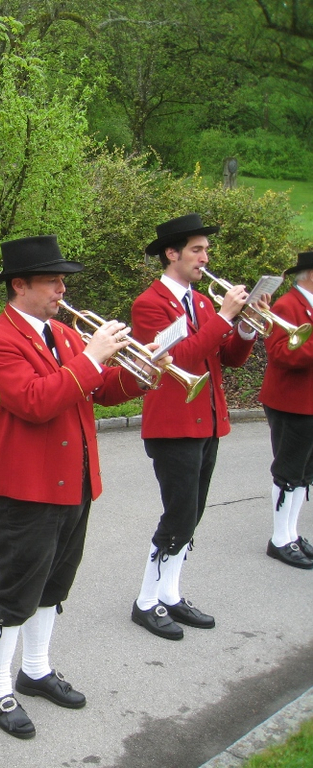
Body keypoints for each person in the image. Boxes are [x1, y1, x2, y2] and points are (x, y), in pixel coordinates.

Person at [0, 234, 150, 740]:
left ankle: (36, 669)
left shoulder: (66, 335)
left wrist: (145, 368)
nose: (62, 289)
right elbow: (34, 402)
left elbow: (100, 388)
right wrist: (91, 357)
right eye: (52, 280)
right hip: (25, 490)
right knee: (15, 591)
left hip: (75, 482)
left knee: (54, 584)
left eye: (62, 280)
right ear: (19, 285)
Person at [129, 213, 262, 641]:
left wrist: (245, 326)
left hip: (208, 421)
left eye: (206, 250)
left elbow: (228, 358)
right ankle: (145, 602)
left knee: (193, 514)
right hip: (173, 425)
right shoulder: (149, 304)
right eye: (197, 250)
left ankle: (169, 593)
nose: (205, 258)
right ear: (172, 253)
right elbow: (177, 359)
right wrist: (225, 317)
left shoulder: (203, 303)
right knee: (178, 515)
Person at [259, 251, 313, 569]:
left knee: (305, 473)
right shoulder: (287, 306)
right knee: (288, 472)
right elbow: (280, 353)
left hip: (308, 402)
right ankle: (279, 540)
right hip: (291, 403)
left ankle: (292, 534)